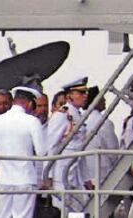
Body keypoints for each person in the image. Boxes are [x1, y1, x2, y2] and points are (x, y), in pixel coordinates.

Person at [0, 87, 47, 218]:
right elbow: (41, 152)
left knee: (2, 215)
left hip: (4, 179)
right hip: (25, 178)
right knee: (22, 216)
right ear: (30, 103)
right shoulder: (32, 121)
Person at [45, 77, 92, 214]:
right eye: (80, 93)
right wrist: (47, 175)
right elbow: (51, 146)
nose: (85, 96)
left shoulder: (78, 115)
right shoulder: (61, 115)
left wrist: (86, 178)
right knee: (63, 210)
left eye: (85, 93)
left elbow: (80, 151)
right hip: (61, 173)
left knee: (78, 211)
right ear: (69, 96)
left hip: (75, 173)